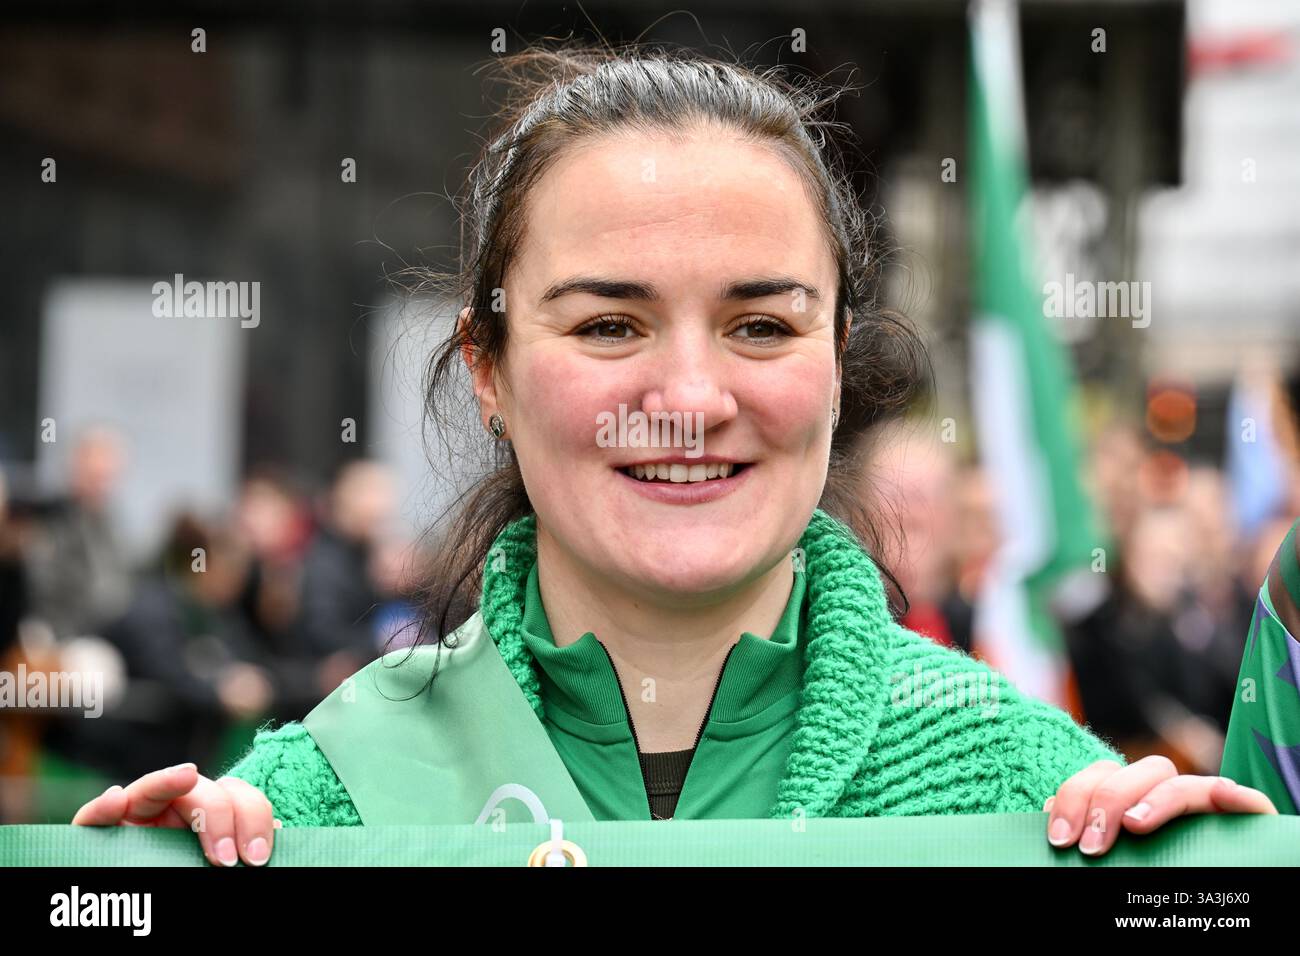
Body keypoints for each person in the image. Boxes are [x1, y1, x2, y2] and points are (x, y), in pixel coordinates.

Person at [73, 45, 1276, 867]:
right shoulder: (316, 804)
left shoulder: (1029, 788)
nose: (690, 399)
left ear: (837, 362)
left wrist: (1195, 896)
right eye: (608, 325)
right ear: (487, 367)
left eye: (761, 325)